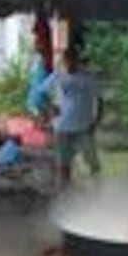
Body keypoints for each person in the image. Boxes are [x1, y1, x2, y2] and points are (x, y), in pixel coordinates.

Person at [41, 47, 103, 186]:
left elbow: (99, 99)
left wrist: (97, 119)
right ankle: (65, 191)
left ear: (77, 61)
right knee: (64, 162)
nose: (70, 64)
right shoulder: (58, 76)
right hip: (62, 126)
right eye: (67, 61)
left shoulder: (88, 77)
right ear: (64, 61)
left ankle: (98, 188)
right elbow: (43, 92)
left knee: (92, 161)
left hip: (83, 126)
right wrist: (50, 108)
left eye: (73, 60)